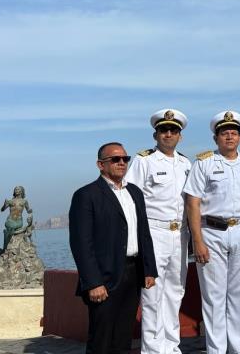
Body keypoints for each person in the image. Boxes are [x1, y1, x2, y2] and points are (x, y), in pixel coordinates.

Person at [69, 142, 157, 354]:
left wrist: (149, 269)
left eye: (125, 159)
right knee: (101, 339)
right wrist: (93, 282)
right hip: (104, 278)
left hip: (133, 273)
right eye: (115, 159)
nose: (121, 163)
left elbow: (143, 232)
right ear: (101, 165)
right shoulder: (86, 195)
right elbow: (81, 243)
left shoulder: (135, 192)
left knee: (123, 337)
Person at [183, 111, 240, 354]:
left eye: (233, 133)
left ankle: (238, 349)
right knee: (214, 298)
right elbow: (192, 203)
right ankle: (216, 350)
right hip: (212, 233)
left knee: (239, 296)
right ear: (216, 138)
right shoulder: (203, 163)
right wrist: (198, 241)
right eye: (224, 133)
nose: (229, 136)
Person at [125, 109, 192, 354]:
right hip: (154, 232)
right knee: (152, 293)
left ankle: (171, 347)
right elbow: (131, 198)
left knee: (176, 292)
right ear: (156, 134)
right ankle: (153, 349)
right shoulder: (144, 161)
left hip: (180, 234)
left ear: (180, 136)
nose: (168, 134)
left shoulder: (186, 163)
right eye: (164, 130)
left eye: (173, 130)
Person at [1, 186, 32, 250]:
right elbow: (2, 210)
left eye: (18, 189)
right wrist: (4, 205)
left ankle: (6, 245)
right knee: (10, 225)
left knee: (11, 227)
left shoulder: (24, 201)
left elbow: (28, 210)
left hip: (19, 221)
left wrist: (30, 211)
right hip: (10, 220)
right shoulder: (10, 201)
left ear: (21, 191)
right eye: (15, 189)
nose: (16, 190)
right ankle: (6, 246)